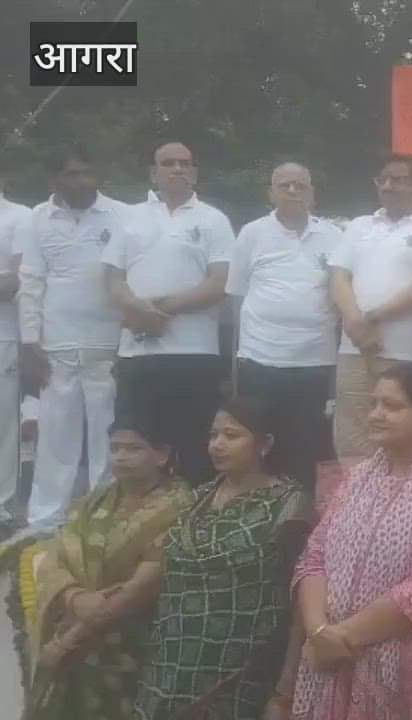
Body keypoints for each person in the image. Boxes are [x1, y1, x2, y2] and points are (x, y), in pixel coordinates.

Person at [287, 365, 412, 720]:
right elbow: (314, 557)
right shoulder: (359, 477)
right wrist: (318, 631)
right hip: (328, 660)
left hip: (402, 667)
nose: (376, 414)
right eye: (374, 403)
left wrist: (343, 637)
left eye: (391, 406)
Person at [134, 398, 309, 719]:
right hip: (170, 669)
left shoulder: (289, 506)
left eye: (231, 435)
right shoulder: (197, 499)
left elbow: (301, 599)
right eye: (213, 435)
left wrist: (285, 690)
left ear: (265, 444)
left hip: (244, 676)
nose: (217, 445)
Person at [15, 416, 194, 720]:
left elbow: (145, 584)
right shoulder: (94, 501)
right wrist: (75, 597)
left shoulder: (181, 507)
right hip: (77, 631)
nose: (121, 457)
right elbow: (56, 555)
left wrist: (67, 641)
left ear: (162, 455)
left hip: (133, 646)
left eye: (133, 448)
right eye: (115, 448)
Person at [105, 141, 235, 485]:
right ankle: (139, 514)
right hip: (137, 354)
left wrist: (158, 310)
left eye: (184, 163)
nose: (177, 169)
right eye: (168, 163)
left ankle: (194, 513)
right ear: (153, 173)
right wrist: (140, 312)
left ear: (194, 172)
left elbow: (219, 283)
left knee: (194, 446)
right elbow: (113, 280)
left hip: (194, 354)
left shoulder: (214, 219)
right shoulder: (129, 218)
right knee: (138, 445)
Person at [18, 147, 132, 528]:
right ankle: (45, 523)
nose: (81, 181)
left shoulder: (122, 215)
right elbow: (31, 281)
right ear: (54, 181)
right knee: (55, 440)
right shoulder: (37, 218)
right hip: (56, 346)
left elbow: (132, 277)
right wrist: (29, 341)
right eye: (71, 174)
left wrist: (129, 338)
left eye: (86, 172)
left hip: (107, 344)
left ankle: (104, 519)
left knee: (107, 438)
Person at [227, 162, 342, 491]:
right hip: (259, 359)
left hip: (314, 362)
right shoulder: (252, 233)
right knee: (257, 445)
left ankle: (298, 515)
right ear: (271, 193)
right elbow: (236, 296)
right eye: (284, 185)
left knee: (305, 448)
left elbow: (342, 292)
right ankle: (255, 510)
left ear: (312, 194)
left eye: (300, 185)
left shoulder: (334, 236)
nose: (293, 191)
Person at [330, 153, 412, 462]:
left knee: (404, 438)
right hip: (354, 350)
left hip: (407, 354)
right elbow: (338, 278)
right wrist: (354, 321)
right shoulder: (358, 226)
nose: (386, 186)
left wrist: (372, 317)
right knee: (353, 436)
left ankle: (400, 495)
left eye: (396, 180)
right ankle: (359, 493)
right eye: (381, 179)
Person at [0, 167, 31, 529]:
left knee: (3, 421)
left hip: (4, 334)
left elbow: (15, 281)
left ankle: (3, 503)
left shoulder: (20, 217)